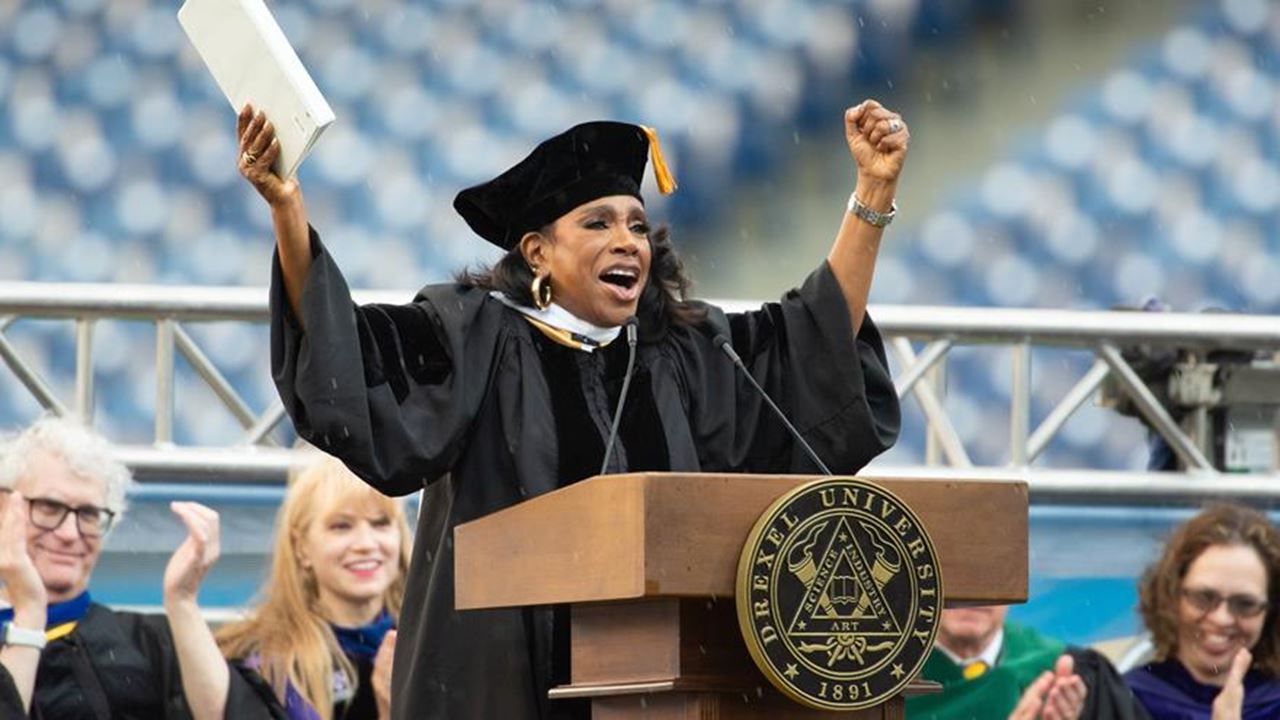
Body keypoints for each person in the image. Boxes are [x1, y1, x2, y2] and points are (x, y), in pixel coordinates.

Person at [237, 99, 905, 718]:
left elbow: (812, 345)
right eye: (598, 223)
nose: (628, 241)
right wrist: (287, 210)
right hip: (501, 684)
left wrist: (872, 195)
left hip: (661, 690)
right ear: (538, 252)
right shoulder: (474, 338)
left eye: (637, 225)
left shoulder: (684, 353)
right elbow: (346, 353)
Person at [0, 416, 276, 719]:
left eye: (89, 514)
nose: (69, 533)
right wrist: (28, 613)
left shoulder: (148, 642)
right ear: (4, 509)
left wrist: (182, 602)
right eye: (49, 507)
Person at [214, 454, 411, 720]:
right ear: (301, 547)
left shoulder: (431, 642)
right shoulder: (265, 665)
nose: (366, 542)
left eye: (381, 523)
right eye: (341, 526)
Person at [1125, 503, 1280, 719]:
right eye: (1203, 598)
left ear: (1270, 612)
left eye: (1244, 604)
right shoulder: (1126, 701)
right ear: (1172, 596)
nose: (1221, 618)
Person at [907, 606, 1149, 720]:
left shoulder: (1068, 673)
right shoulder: (879, 684)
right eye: (955, 569)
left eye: (993, 568)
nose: (973, 593)